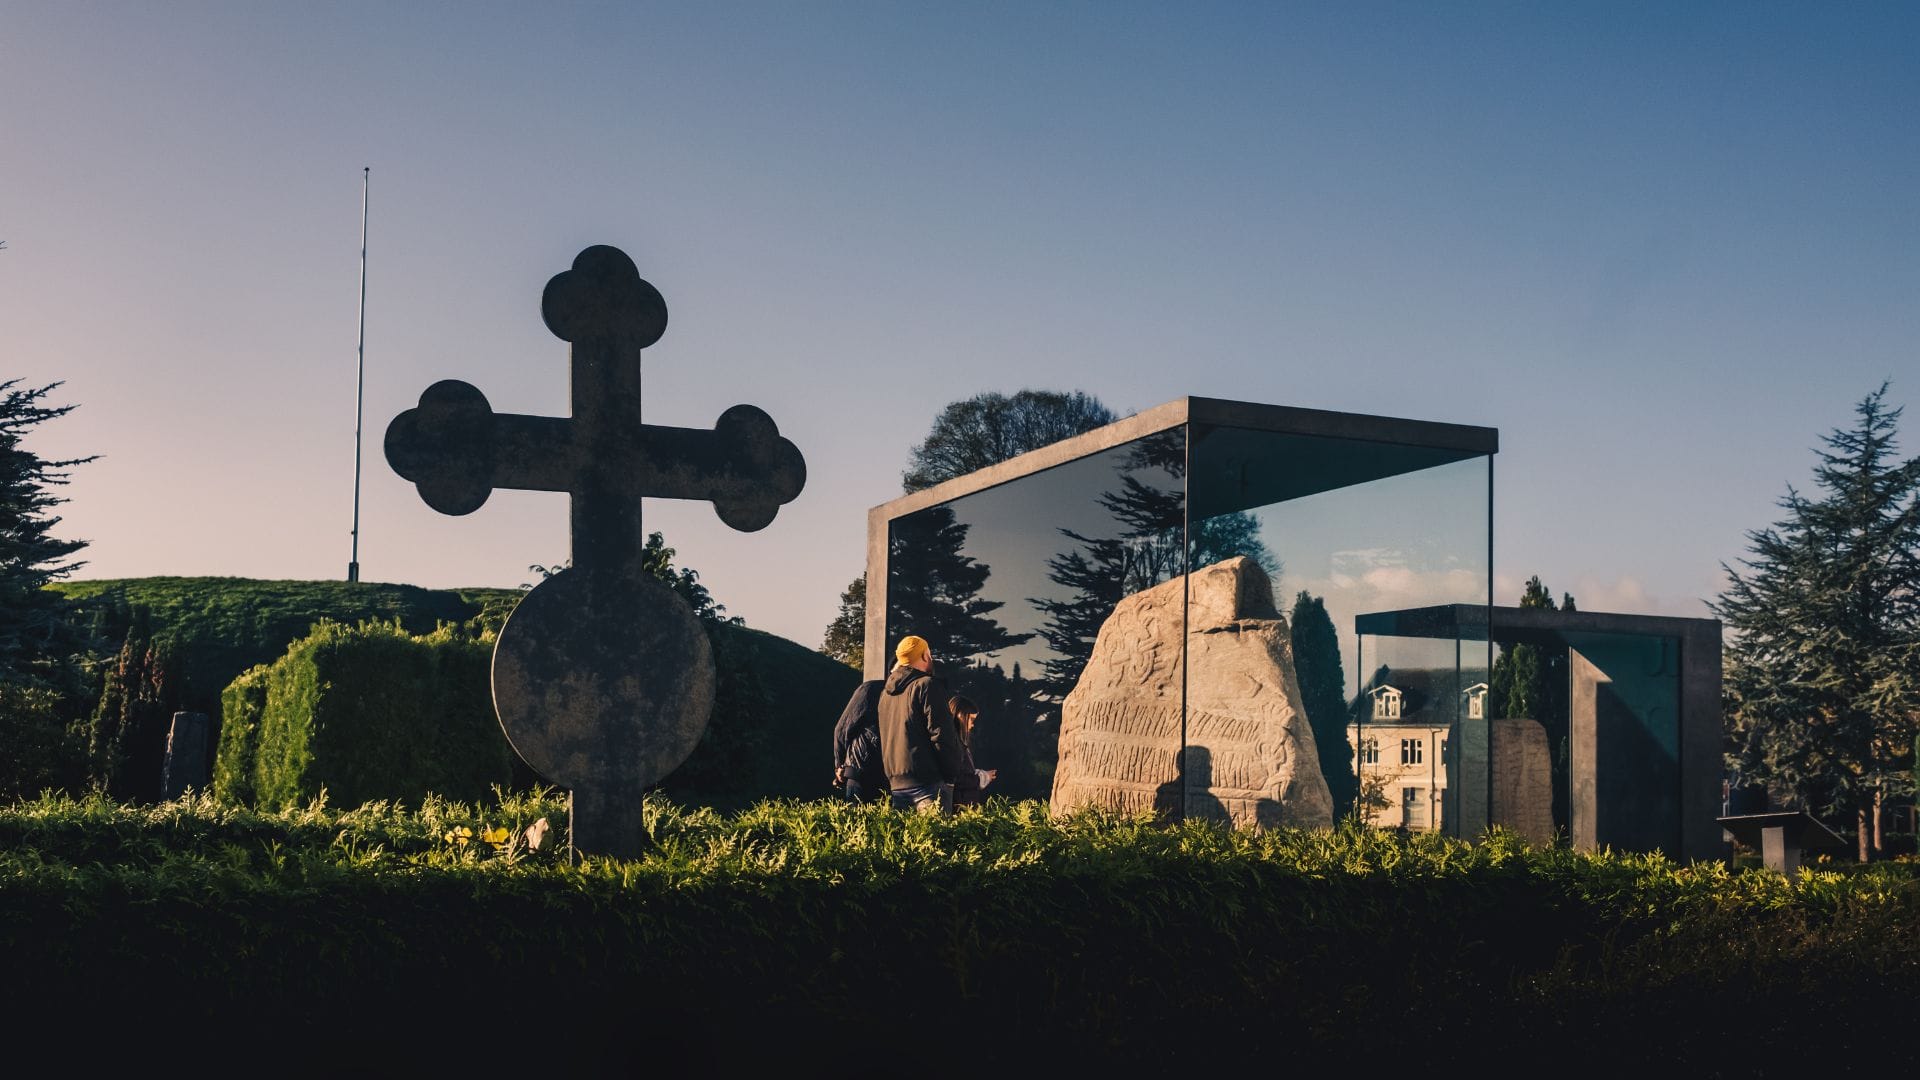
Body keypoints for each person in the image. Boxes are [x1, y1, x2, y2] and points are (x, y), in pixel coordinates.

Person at [878, 635, 964, 813]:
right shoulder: (927, 685)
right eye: (930, 654)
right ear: (925, 655)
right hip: (928, 786)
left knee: (910, 841)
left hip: (897, 786)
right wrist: (951, 775)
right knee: (935, 840)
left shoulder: (885, 695)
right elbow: (942, 735)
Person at [831, 676, 887, 803]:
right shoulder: (871, 689)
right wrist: (840, 765)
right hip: (862, 770)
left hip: (881, 772)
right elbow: (842, 728)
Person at [947, 694, 997, 809]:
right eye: (971, 719)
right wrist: (982, 777)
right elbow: (958, 779)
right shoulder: (953, 744)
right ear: (960, 715)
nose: (973, 724)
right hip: (959, 807)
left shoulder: (959, 743)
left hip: (963, 805)